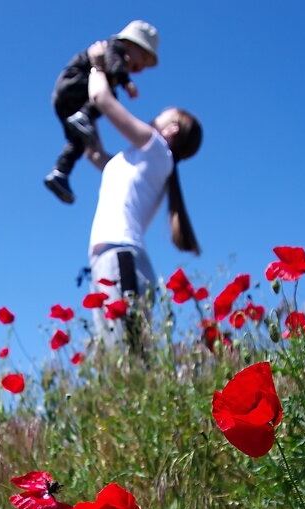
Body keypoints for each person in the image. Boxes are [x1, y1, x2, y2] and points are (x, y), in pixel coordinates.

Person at [82, 65, 202, 349]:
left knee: (131, 349)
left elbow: (102, 98)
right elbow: (95, 153)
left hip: (121, 254)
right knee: (116, 351)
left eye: (164, 114)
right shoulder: (135, 159)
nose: (156, 115)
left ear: (170, 130)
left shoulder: (158, 150)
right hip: (106, 257)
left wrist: (96, 65)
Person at [43, 21, 160, 205]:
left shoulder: (113, 58)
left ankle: (60, 172)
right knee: (109, 92)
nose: (142, 66)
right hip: (73, 84)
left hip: (69, 102)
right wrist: (125, 82)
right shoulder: (114, 47)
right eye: (143, 57)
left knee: (80, 141)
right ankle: (83, 117)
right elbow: (115, 66)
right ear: (128, 43)